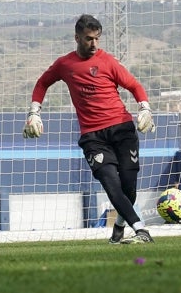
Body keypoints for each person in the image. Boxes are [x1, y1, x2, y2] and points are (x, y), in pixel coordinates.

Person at [23, 14, 156, 244]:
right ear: (77, 38)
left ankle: (120, 226)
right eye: (88, 39)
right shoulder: (65, 64)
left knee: (129, 188)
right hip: (93, 137)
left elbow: (134, 85)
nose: (94, 44)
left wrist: (145, 108)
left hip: (122, 129)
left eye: (97, 38)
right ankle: (141, 231)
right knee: (112, 186)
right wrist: (35, 111)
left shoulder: (109, 61)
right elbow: (43, 82)